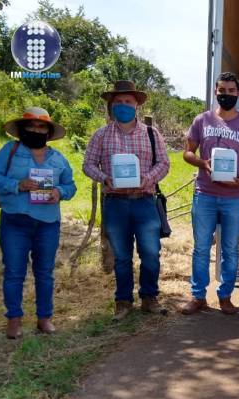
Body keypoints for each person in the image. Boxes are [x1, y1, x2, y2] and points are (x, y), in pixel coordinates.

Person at [83, 80, 170, 321]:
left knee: (151, 253)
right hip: (115, 203)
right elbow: (88, 164)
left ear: (136, 105)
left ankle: (149, 298)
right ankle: (123, 301)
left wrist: (147, 178)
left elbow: (164, 163)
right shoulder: (101, 135)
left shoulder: (151, 134)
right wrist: (105, 178)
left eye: (127, 101)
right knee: (121, 256)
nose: (123, 105)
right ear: (112, 106)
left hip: (145, 201)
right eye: (118, 102)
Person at [0, 107, 76, 339]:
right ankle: (14, 320)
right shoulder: (10, 150)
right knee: (14, 272)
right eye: (31, 125)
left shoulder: (58, 158)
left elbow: (70, 185)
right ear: (22, 129)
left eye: (41, 126)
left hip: (48, 223)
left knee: (45, 273)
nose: (36, 130)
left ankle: (44, 318)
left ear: (48, 132)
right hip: (15, 221)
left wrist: (59, 192)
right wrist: (16, 185)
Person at [179, 72, 239, 315]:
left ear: (238, 93)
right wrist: (203, 163)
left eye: (231, 91)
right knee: (201, 248)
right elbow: (187, 153)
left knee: (230, 250)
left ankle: (225, 296)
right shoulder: (202, 120)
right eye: (222, 90)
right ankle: (198, 296)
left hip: (235, 197)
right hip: (205, 193)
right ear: (215, 92)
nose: (226, 95)